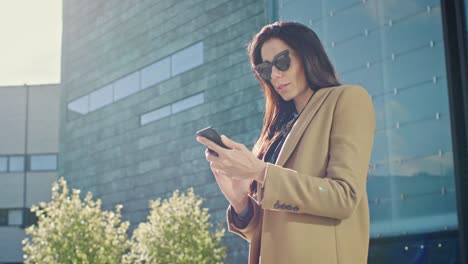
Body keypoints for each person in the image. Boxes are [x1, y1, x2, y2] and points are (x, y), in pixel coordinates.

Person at [196, 21, 375, 264]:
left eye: (282, 61)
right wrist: (241, 203)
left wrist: (260, 172)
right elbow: (274, 230)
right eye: (266, 69)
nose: (276, 75)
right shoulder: (279, 131)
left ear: (307, 55)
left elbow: (344, 197)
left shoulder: (347, 99)